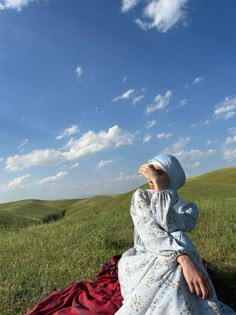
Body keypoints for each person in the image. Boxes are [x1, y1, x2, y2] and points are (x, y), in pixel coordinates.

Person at [115, 154, 235, 314]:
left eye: (159, 173)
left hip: (177, 255)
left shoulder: (187, 208)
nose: (152, 178)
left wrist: (161, 191)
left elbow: (169, 224)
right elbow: (151, 235)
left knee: (179, 237)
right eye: (151, 172)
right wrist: (184, 259)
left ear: (173, 176)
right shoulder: (141, 196)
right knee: (178, 262)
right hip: (148, 254)